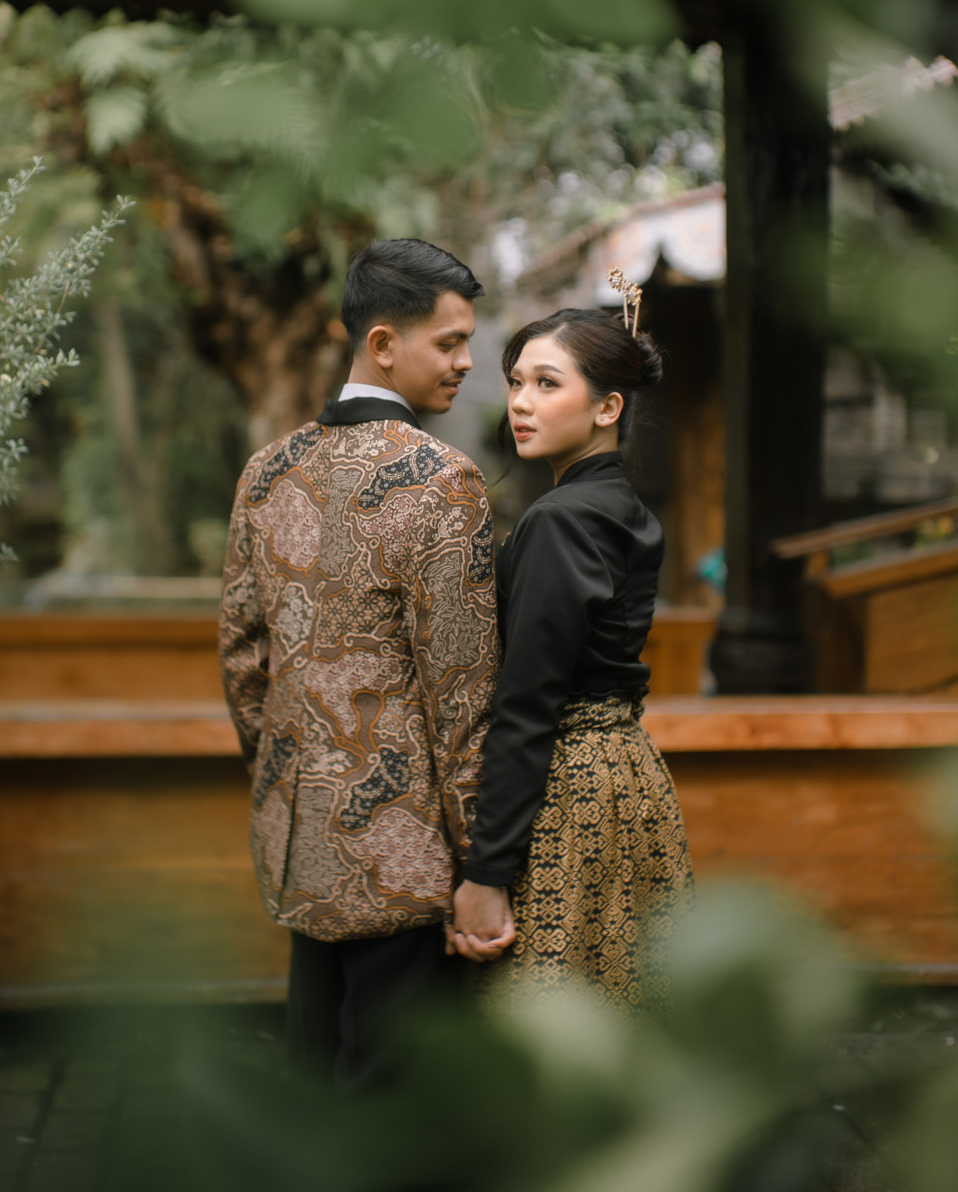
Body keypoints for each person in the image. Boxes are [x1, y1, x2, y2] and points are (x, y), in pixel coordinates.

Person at [219, 238, 502, 1083]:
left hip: (300, 843)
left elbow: (243, 660)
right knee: (396, 1107)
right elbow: (463, 692)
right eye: (449, 342)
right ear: (382, 343)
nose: (466, 361)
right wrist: (484, 864)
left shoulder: (266, 472)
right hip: (409, 856)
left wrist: (288, 780)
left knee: (315, 1086)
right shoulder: (443, 479)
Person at [447, 304, 694, 1009]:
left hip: (569, 786)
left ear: (608, 407)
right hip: (628, 773)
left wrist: (487, 874)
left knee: (545, 1013)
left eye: (547, 383)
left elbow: (528, 703)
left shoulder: (560, 520)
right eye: (516, 381)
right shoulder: (620, 507)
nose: (520, 403)